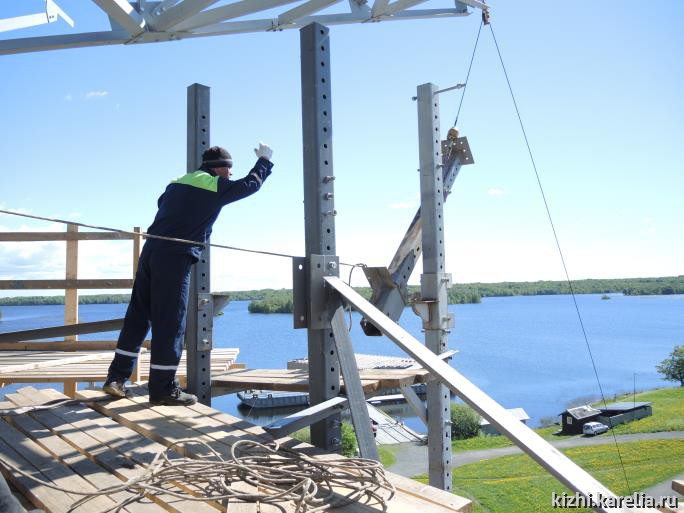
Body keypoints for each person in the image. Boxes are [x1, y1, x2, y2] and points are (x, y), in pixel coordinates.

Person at [103, 143, 274, 405]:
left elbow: (162, 202)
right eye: (228, 171)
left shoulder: (177, 183)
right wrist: (264, 160)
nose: (229, 176)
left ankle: (115, 378)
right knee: (171, 323)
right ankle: (162, 390)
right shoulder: (214, 185)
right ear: (219, 169)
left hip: (150, 252)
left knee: (138, 316)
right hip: (175, 257)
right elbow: (249, 185)